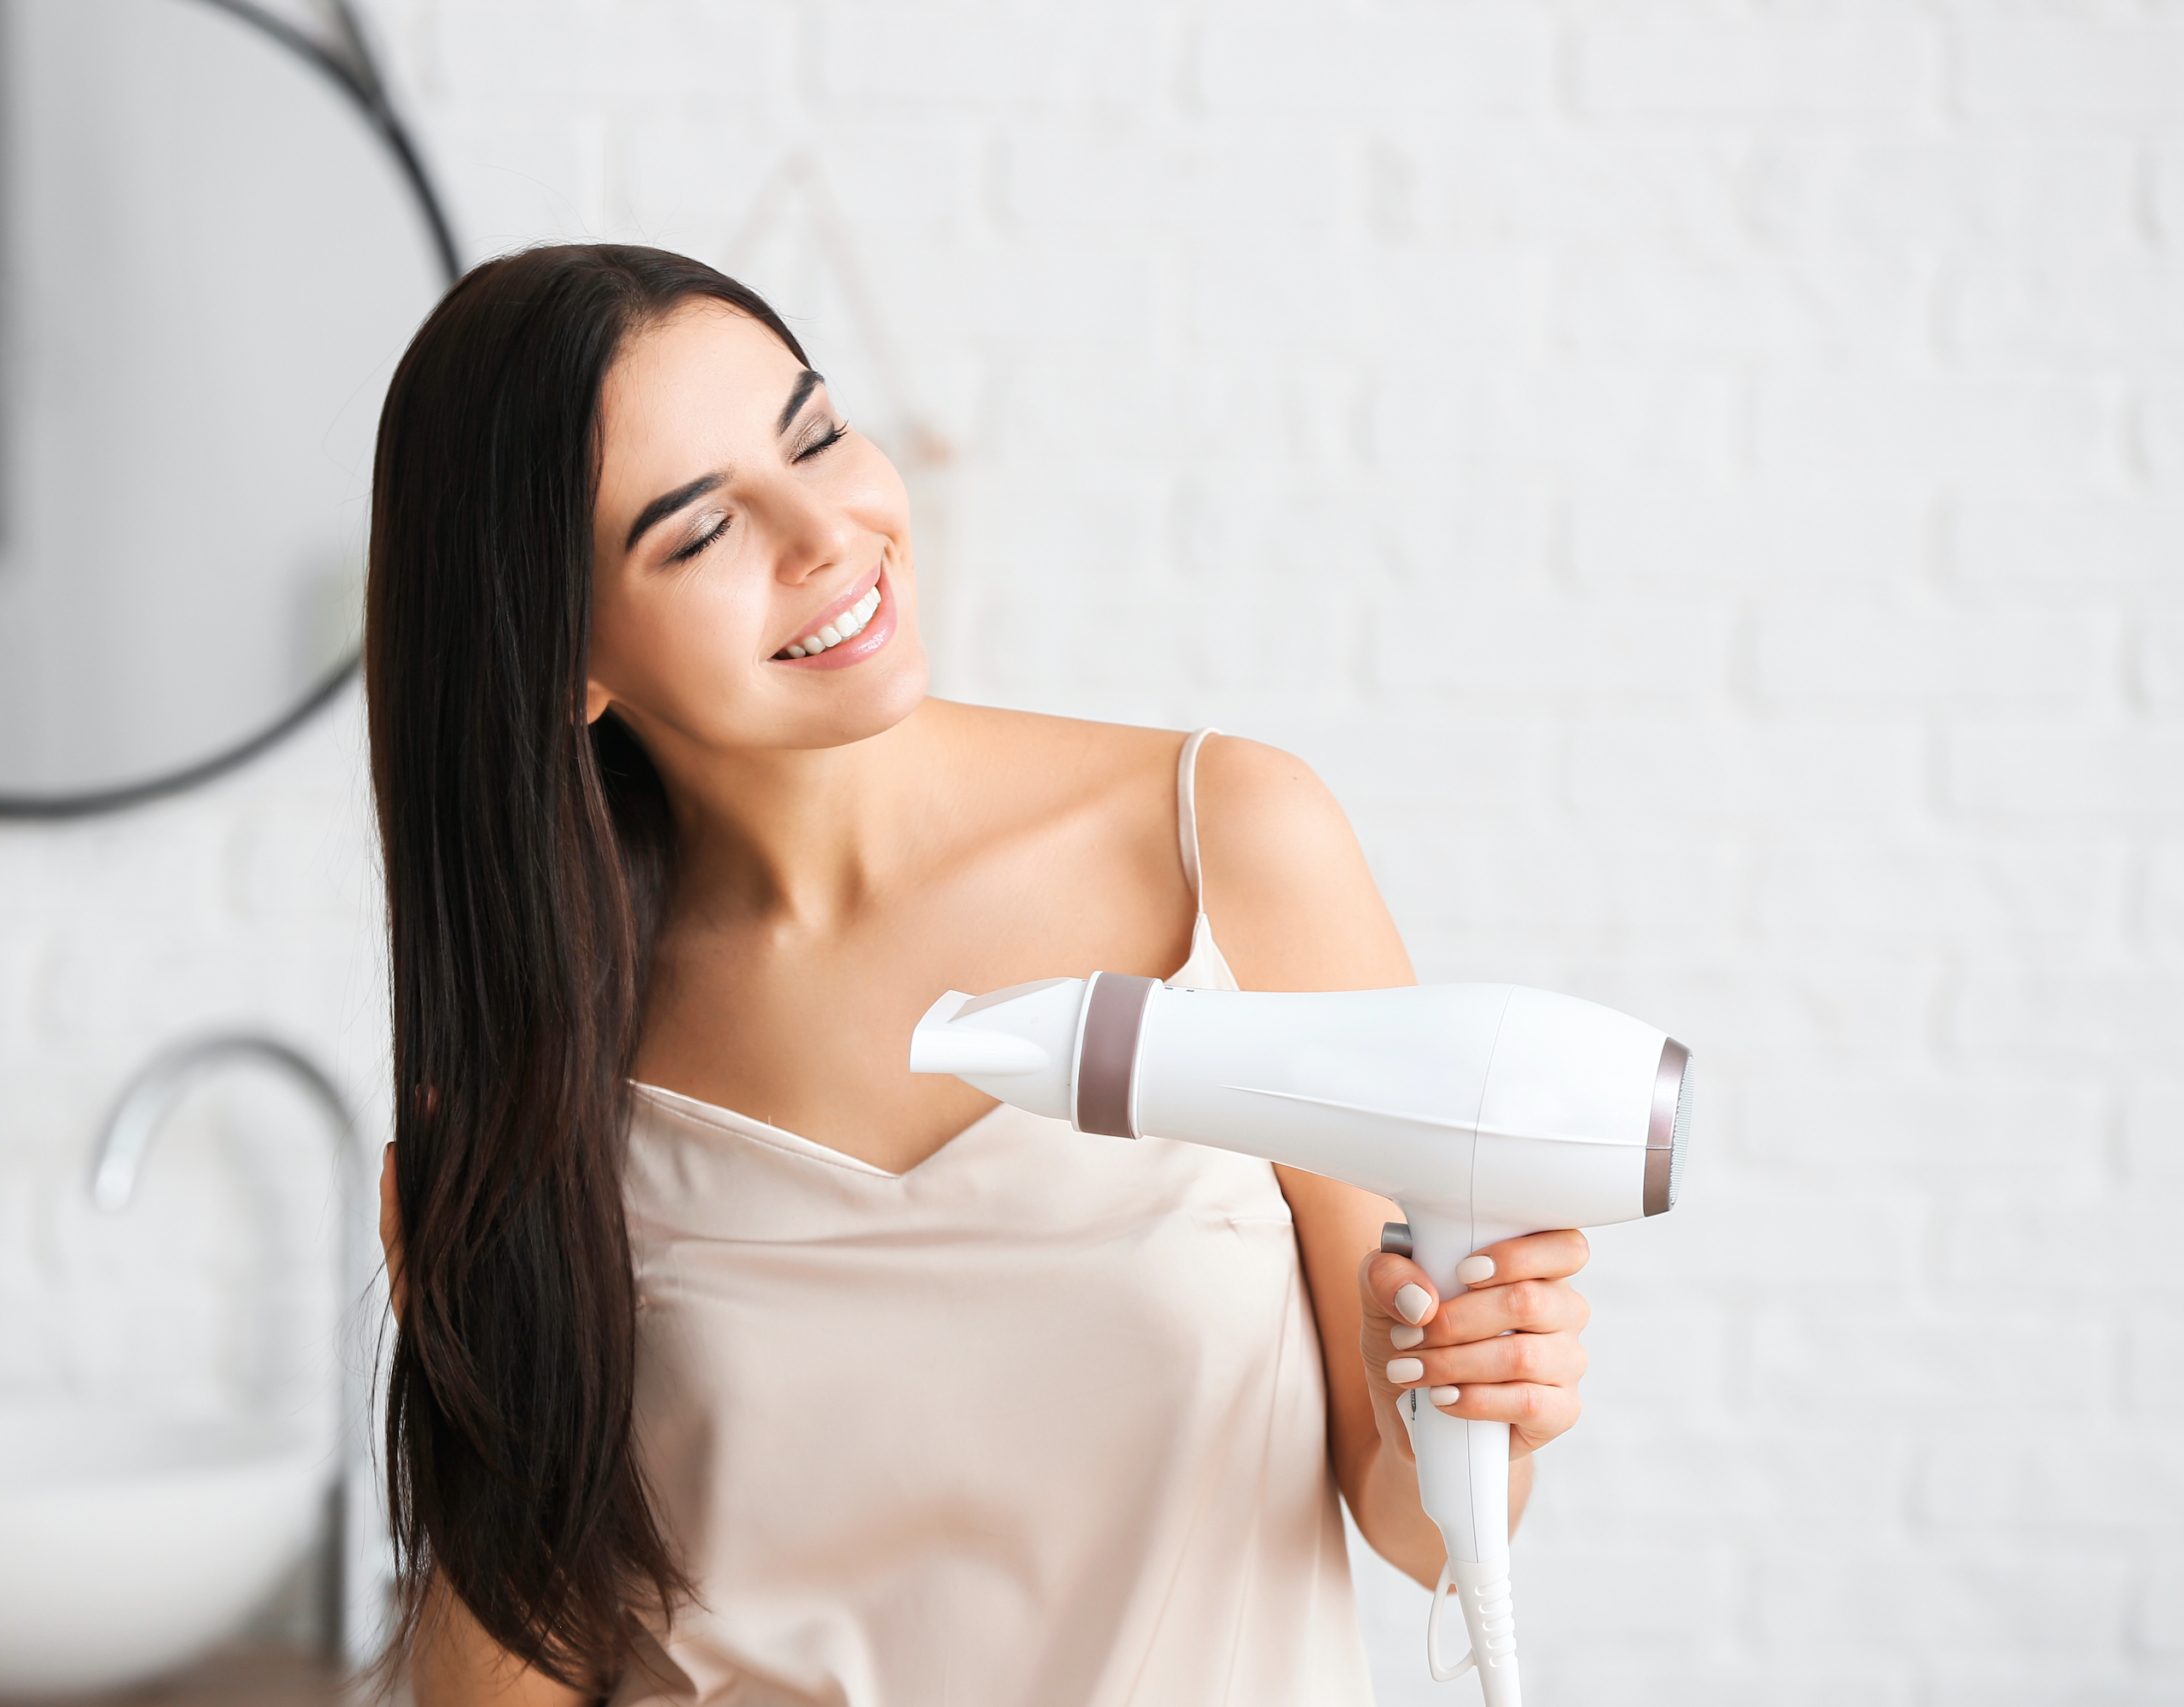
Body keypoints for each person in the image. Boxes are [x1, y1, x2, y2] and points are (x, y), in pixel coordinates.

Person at [359, 242, 1593, 1706]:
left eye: (814, 433)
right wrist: (469, 1325)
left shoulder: (1225, 851)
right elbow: (518, 1654)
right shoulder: (544, 1074)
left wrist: (1464, 1409)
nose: (828, 532)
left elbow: (1423, 1528)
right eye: (700, 534)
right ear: (566, 660)